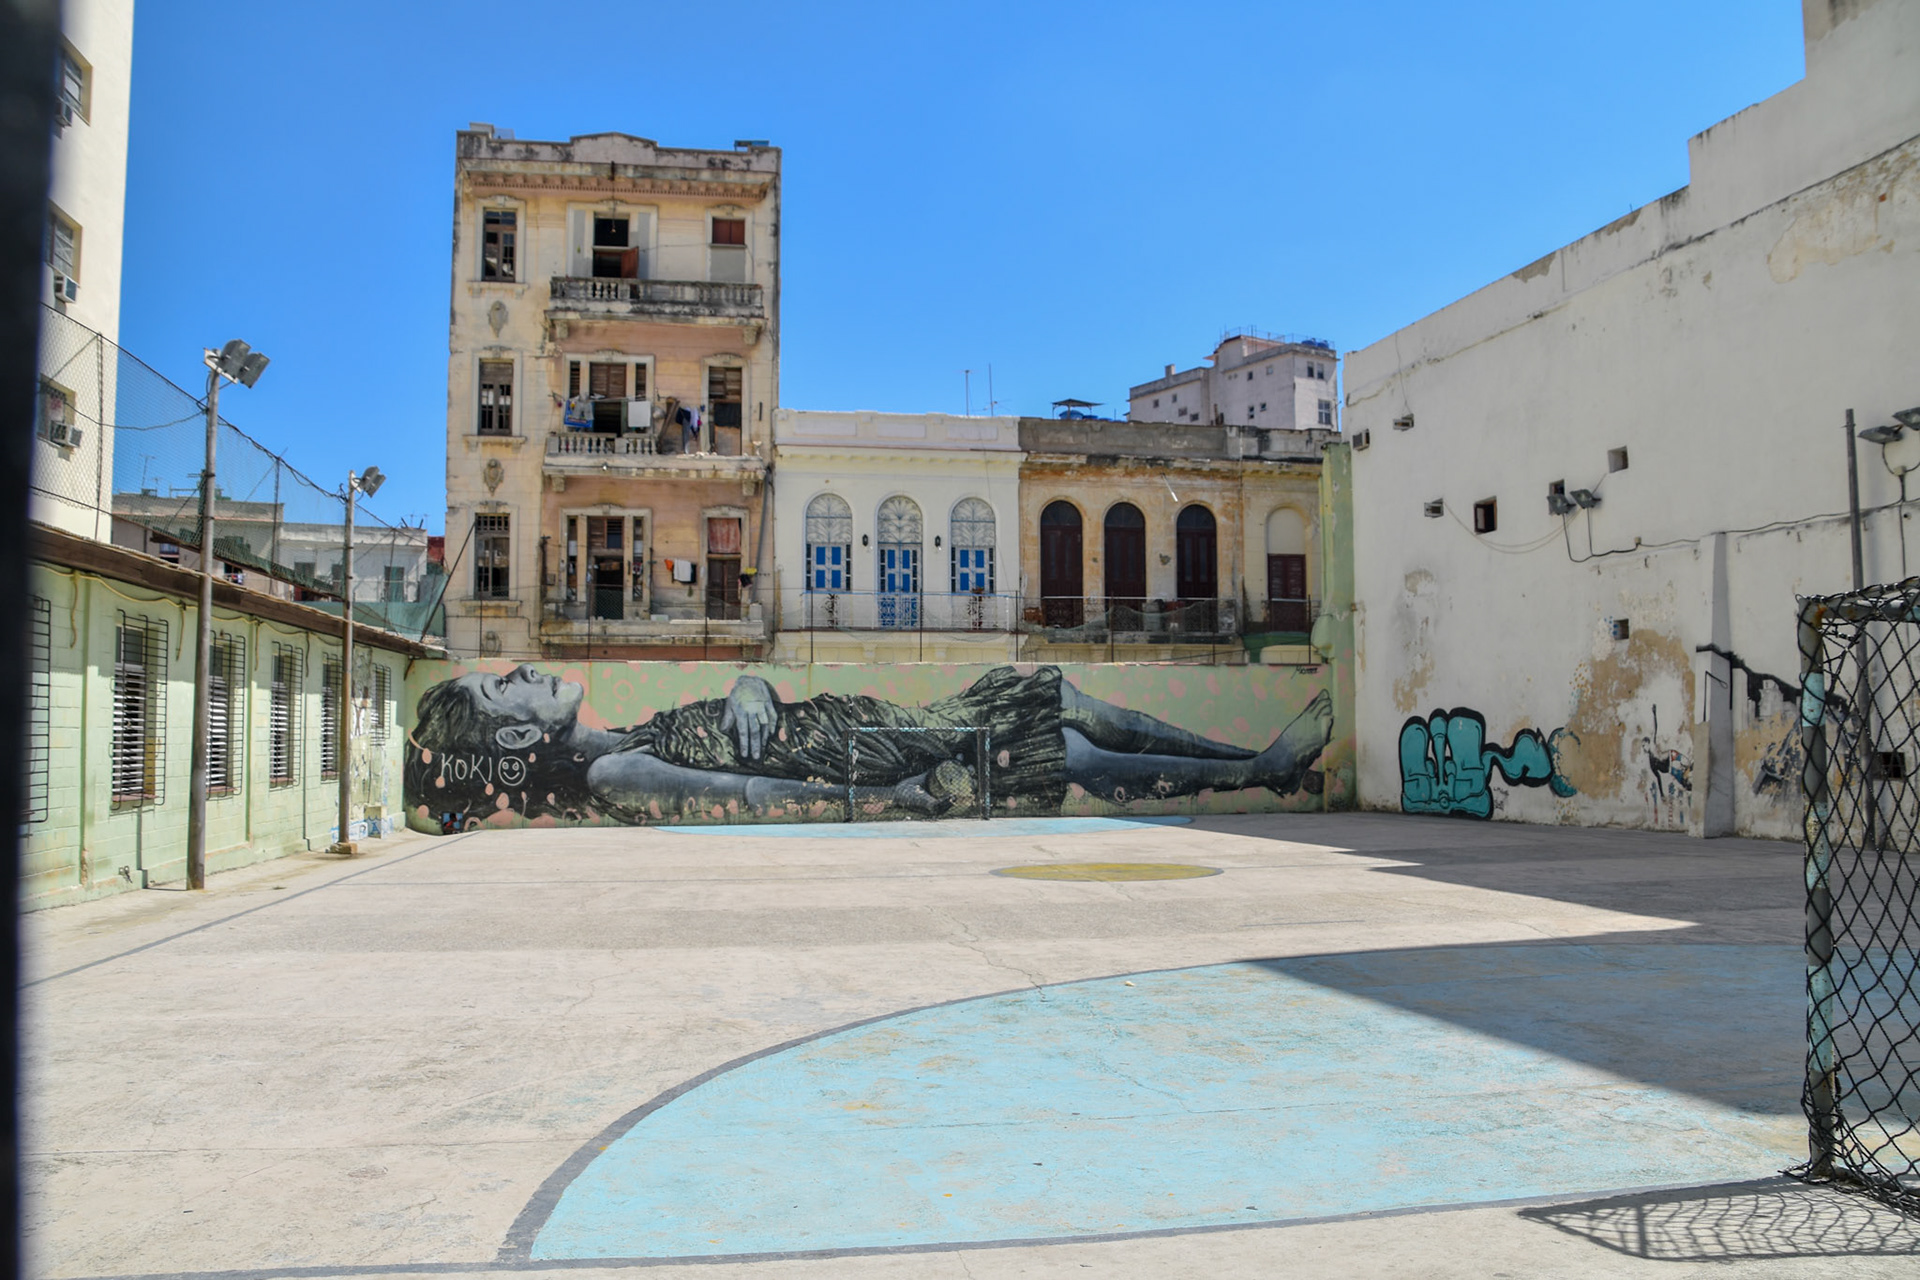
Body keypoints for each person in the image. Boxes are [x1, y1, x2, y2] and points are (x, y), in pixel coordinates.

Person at [406, 664, 1334, 832]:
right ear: (520, 732)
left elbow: (741, 727)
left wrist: (751, 680)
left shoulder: (631, 735)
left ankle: (1258, 764)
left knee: (1062, 720)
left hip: (875, 723)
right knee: (1063, 727)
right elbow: (750, 795)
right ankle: (1260, 769)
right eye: (506, 685)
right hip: (875, 752)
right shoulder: (616, 771)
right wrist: (899, 801)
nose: (524, 670)